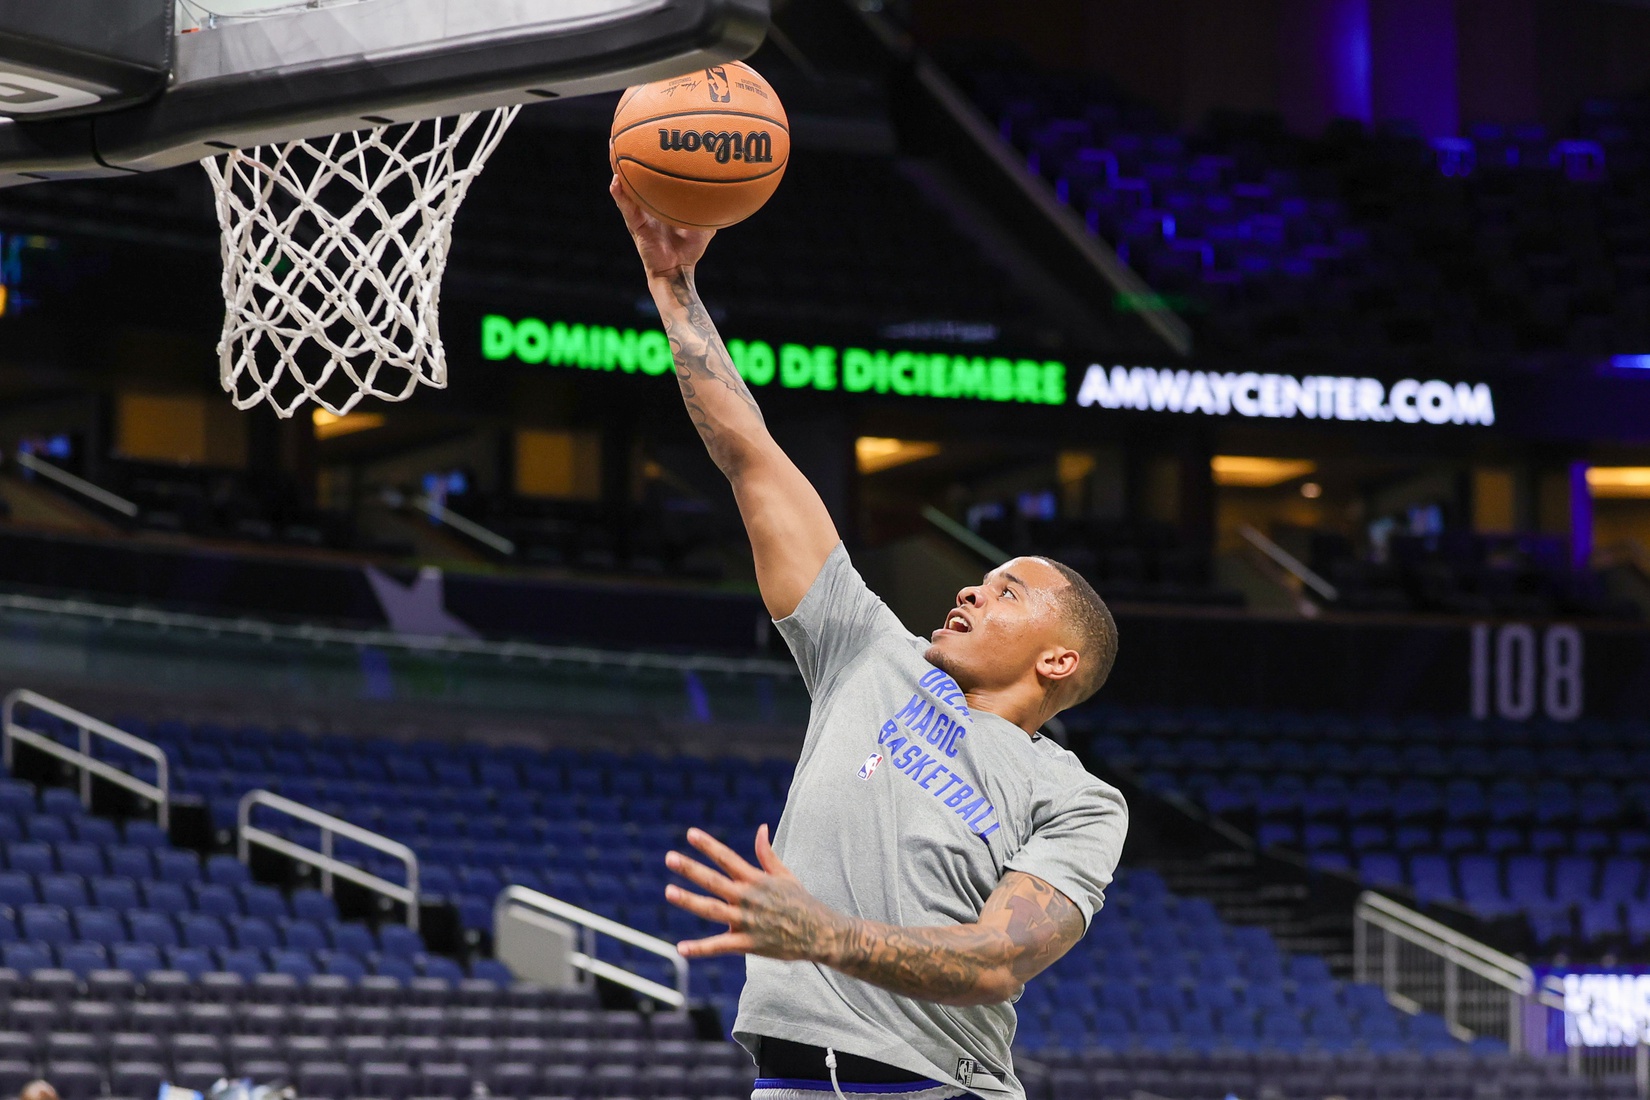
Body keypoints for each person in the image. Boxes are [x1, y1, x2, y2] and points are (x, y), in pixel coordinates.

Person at [611, 178, 1128, 1100]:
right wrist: (673, 288)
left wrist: (825, 937)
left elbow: (995, 962)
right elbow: (750, 454)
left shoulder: (1078, 800)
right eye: (982, 577)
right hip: (785, 1084)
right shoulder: (868, 651)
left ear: (1060, 661)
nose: (972, 587)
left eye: (1008, 591)